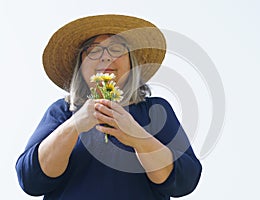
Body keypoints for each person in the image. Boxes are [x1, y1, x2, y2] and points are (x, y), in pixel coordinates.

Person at [15, 14, 202, 200]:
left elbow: (184, 180)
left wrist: (137, 137)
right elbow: (30, 179)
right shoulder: (62, 111)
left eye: (117, 49)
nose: (105, 57)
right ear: (81, 66)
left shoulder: (155, 110)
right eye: (93, 51)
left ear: (131, 63)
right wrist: (75, 125)